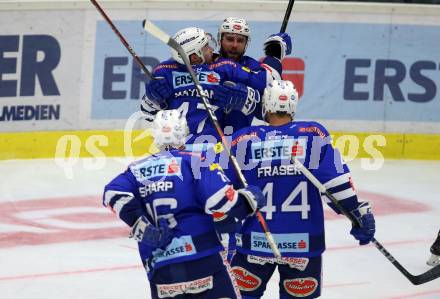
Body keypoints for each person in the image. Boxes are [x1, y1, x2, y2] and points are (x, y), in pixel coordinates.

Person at [224, 80, 376, 298]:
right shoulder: (312, 133)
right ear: (293, 106)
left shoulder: (243, 138)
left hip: (255, 241)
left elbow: (223, 192)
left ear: (266, 105)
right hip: (304, 244)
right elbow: (337, 185)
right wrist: (357, 215)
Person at [103, 109, 266, 299]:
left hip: (162, 268)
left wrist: (142, 227)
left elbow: (113, 193)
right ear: (184, 132)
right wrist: (250, 199)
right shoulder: (196, 162)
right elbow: (221, 202)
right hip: (203, 258)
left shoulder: (135, 170)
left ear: (155, 134)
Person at [141, 26, 280, 147]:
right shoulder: (224, 67)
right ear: (195, 56)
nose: (211, 49)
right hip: (206, 150)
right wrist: (152, 97)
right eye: (206, 47)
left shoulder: (164, 70)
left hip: (186, 152)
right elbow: (148, 115)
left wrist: (247, 97)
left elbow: (269, 87)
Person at [217, 17, 292, 130]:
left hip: (238, 140)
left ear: (247, 43)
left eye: (240, 41)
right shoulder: (208, 63)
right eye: (230, 39)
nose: (235, 45)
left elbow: (272, 88)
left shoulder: (252, 66)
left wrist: (274, 55)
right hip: (204, 141)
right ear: (220, 40)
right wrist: (274, 60)